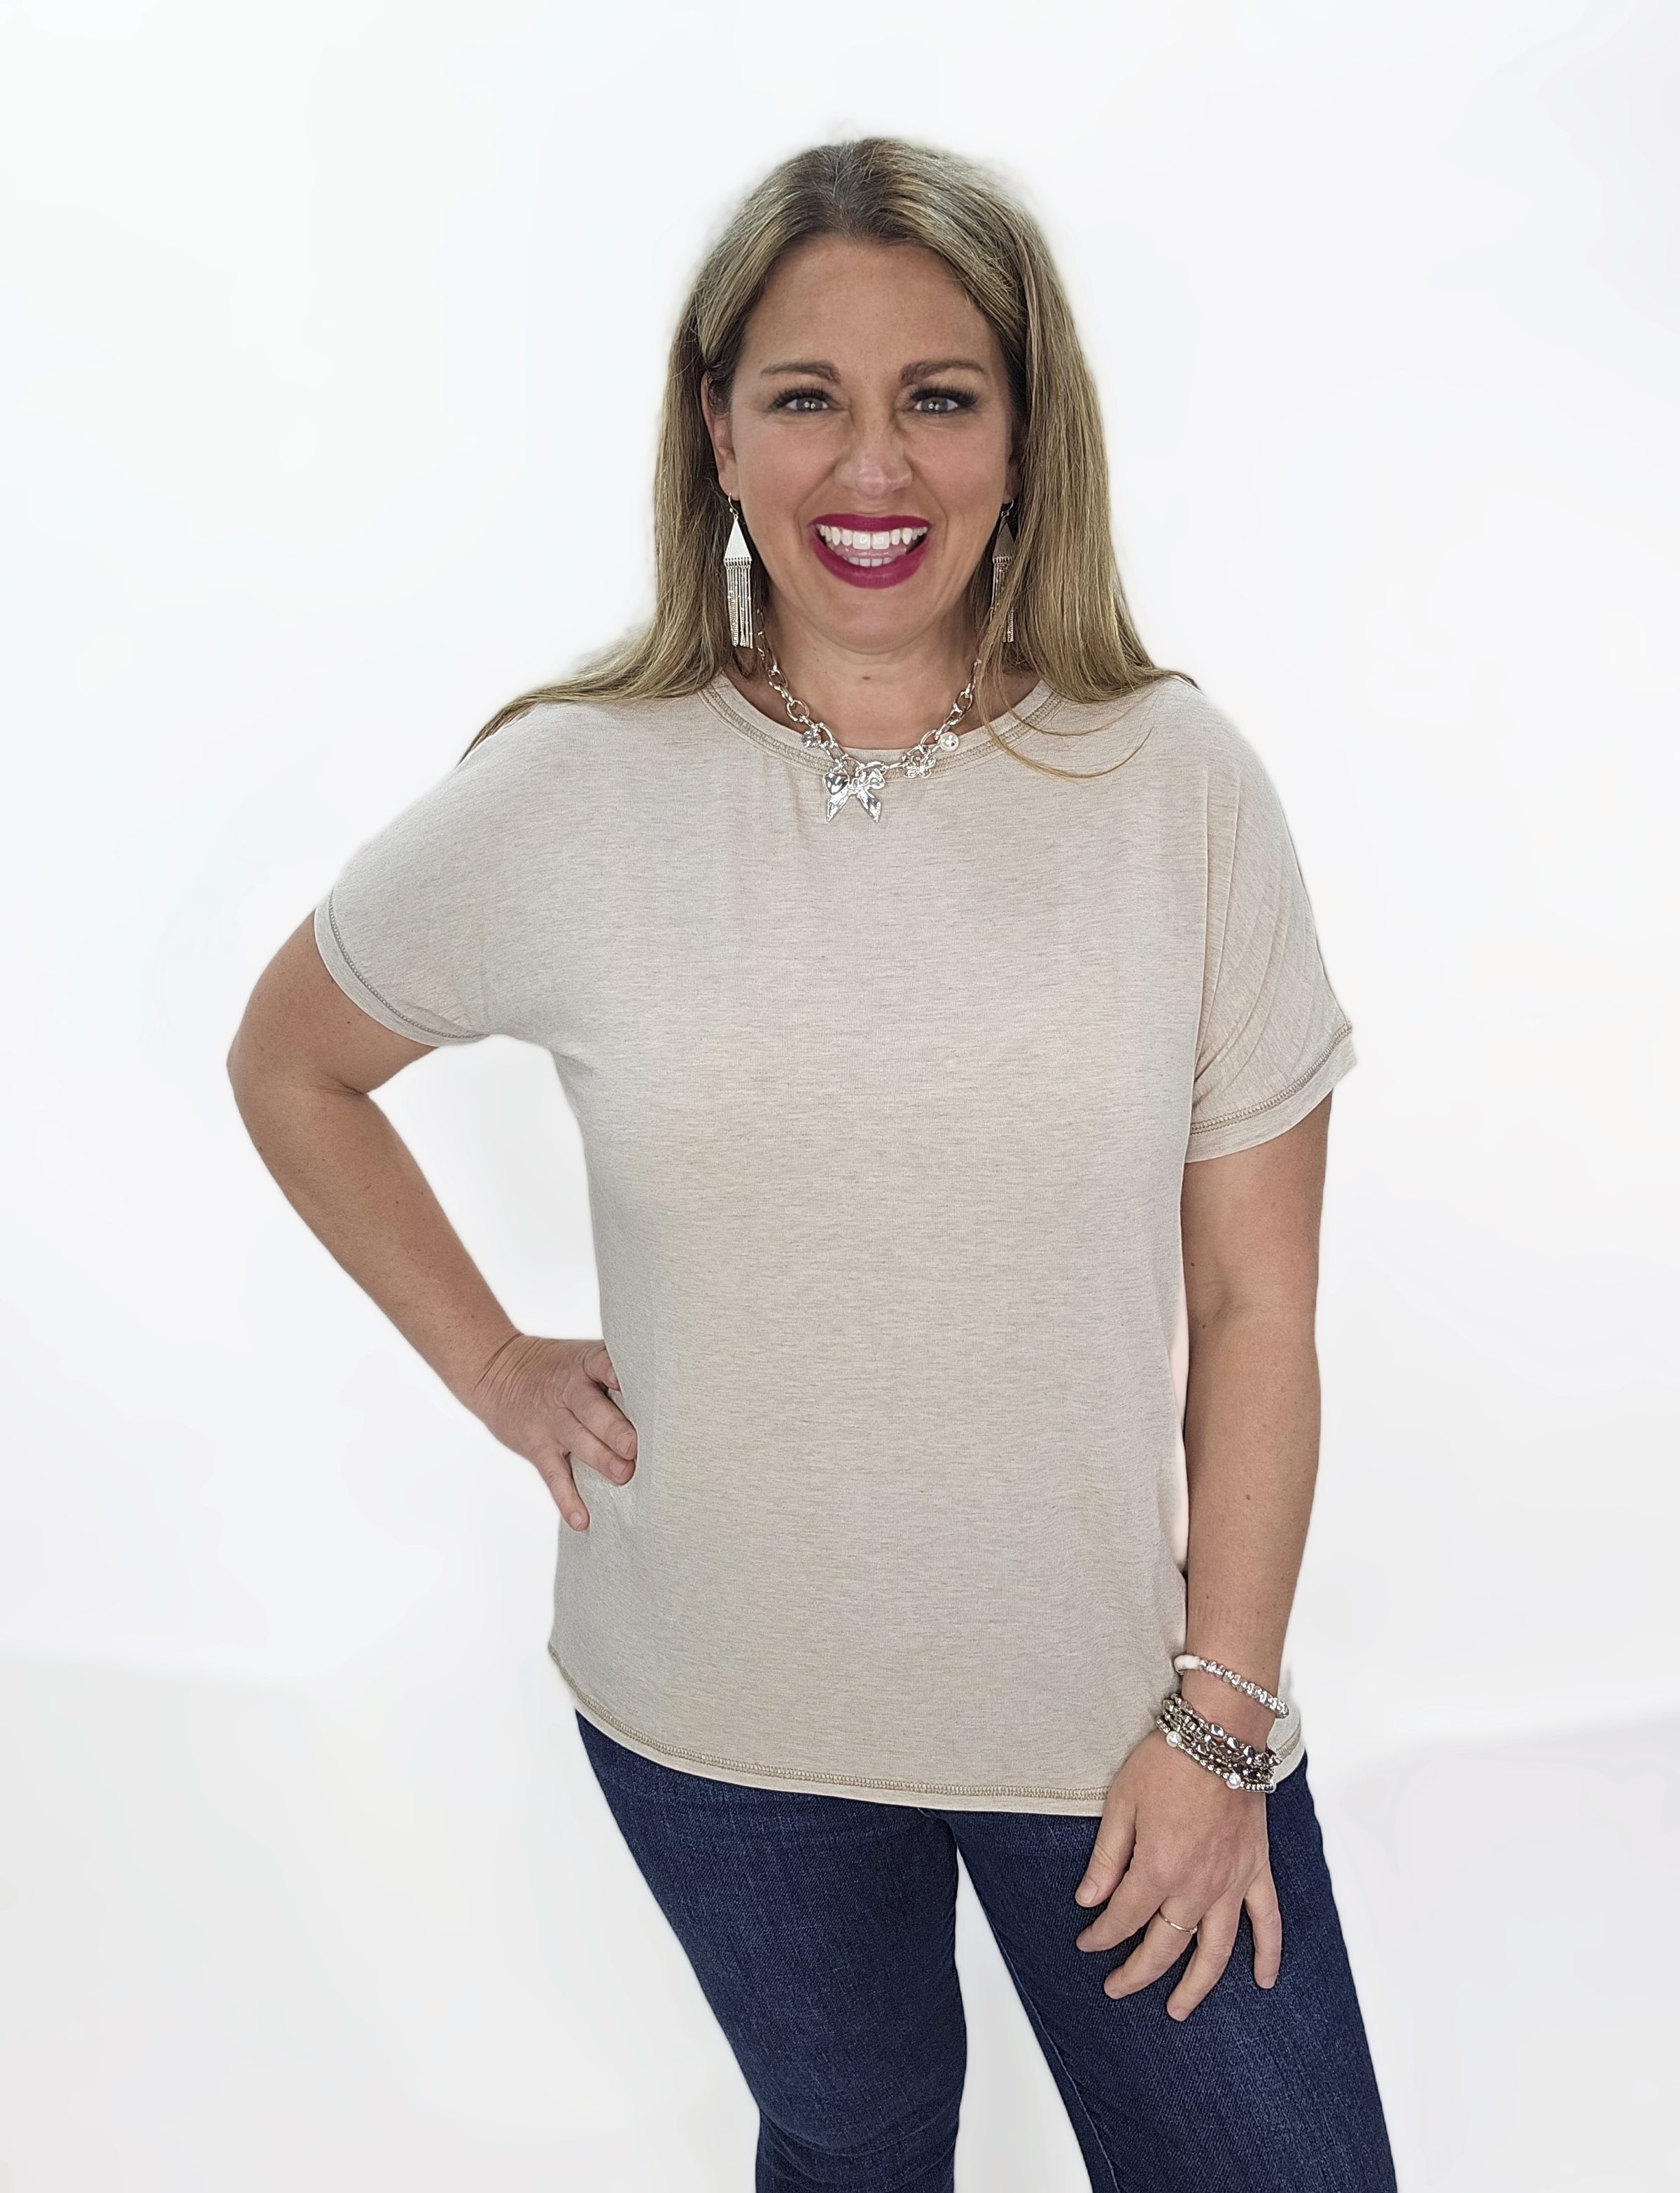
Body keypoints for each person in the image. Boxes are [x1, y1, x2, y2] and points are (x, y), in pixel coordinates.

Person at [228, 137, 1397, 2192]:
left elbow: (1254, 1301)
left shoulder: (1175, 787)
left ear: (1025, 431)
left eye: (939, 396)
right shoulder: (573, 791)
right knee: (854, 2147)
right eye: (805, 397)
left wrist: (1221, 1717)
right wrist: (496, 1365)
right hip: (717, 1720)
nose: (875, 468)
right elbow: (294, 1061)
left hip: (1115, 1714)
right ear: (717, 430)